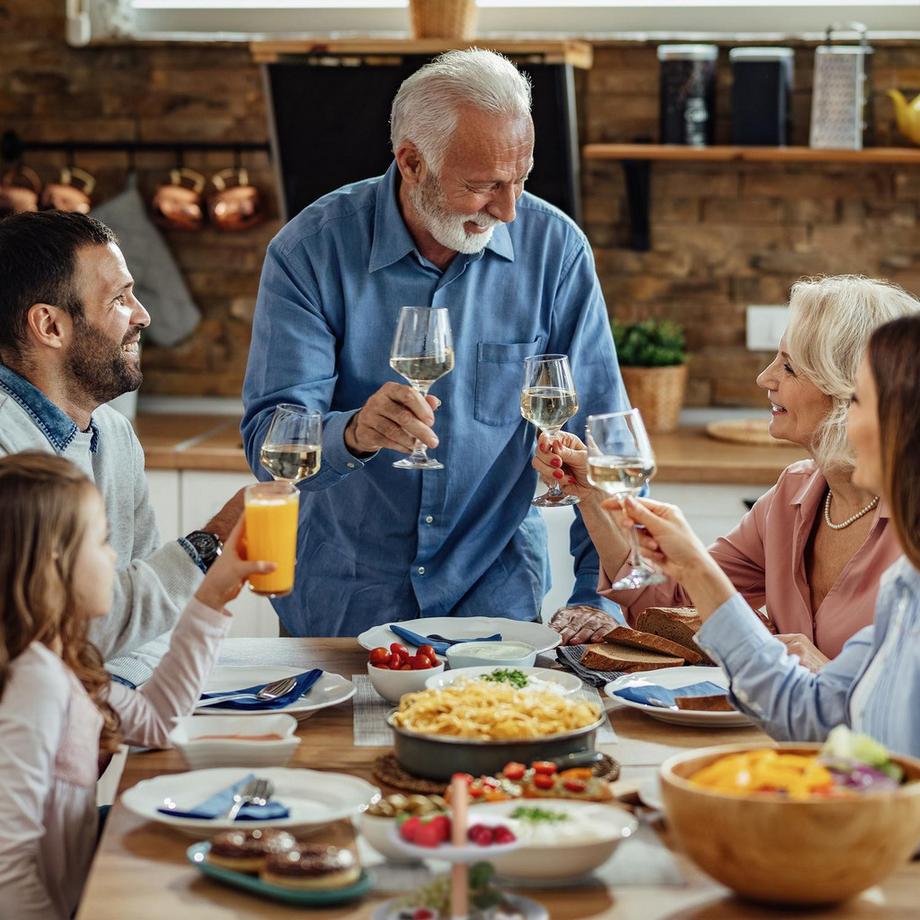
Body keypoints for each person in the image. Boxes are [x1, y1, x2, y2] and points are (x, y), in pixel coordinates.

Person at [242, 49, 629, 636]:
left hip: (496, 591)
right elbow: (271, 438)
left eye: (520, 180)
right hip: (343, 596)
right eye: (482, 186)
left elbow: (608, 441)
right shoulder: (311, 251)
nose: (507, 209)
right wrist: (352, 434)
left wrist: (597, 595)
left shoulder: (556, 251)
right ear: (413, 163)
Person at [538, 276, 919, 664]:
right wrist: (592, 495)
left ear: (848, 388)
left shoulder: (911, 521)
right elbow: (674, 603)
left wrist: (832, 679)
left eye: (788, 367)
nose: (764, 378)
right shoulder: (792, 496)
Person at [609, 314, 920, 756]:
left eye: (857, 402)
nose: (848, 425)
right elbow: (808, 713)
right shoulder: (904, 584)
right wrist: (693, 565)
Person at [0, 452, 273, 920]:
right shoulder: (35, 682)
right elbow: (5, 861)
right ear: (55, 560)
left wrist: (211, 598)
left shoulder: (57, 660)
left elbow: (155, 722)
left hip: (84, 879)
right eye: (102, 541)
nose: (113, 557)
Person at [0, 210, 243, 686]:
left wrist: (119, 709)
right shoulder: (9, 451)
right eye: (119, 299)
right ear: (50, 325)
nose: (142, 315)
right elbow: (61, 633)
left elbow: (147, 620)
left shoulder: (113, 434)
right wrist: (210, 543)